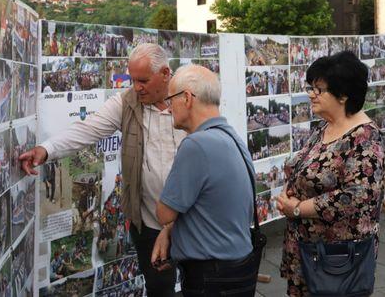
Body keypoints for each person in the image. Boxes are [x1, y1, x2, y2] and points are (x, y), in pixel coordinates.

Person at [19, 43, 184, 296]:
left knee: (199, 284)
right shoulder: (127, 103)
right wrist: (46, 149)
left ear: (165, 73)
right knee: (160, 289)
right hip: (150, 224)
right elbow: (87, 129)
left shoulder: (188, 98)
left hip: (191, 221)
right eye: (132, 80)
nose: (136, 87)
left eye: (143, 80)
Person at [277, 51, 384, 296]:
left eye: (319, 89)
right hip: (306, 254)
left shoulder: (364, 137)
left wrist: (296, 209)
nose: (311, 95)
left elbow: (357, 196)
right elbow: (302, 168)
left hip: (337, 264)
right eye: (310, 87)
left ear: (344, 95)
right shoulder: (324, 127)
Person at [150, 65, 257, 296]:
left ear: (186, 98)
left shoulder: (196, 145)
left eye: (171, 100)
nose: (169, 109)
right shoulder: (232, 137)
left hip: (210, 278)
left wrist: (167, 225)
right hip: (238, 269)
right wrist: (169, 232)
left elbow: (165, 213)